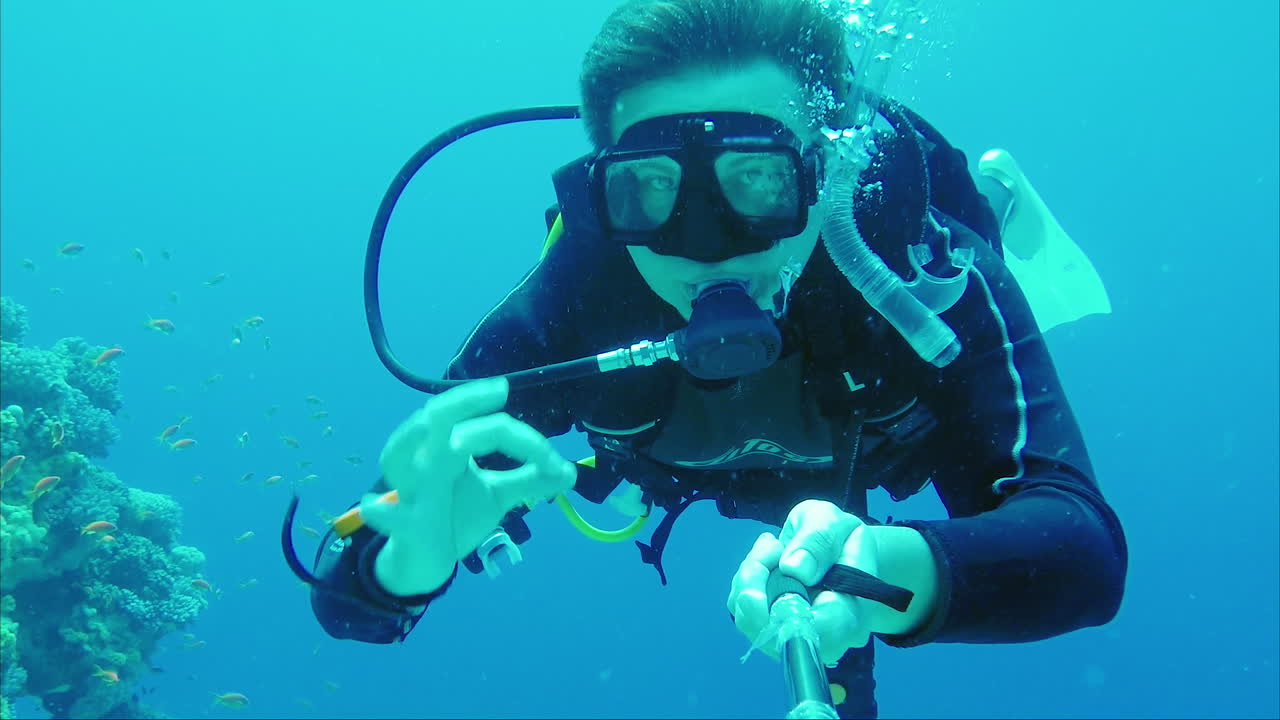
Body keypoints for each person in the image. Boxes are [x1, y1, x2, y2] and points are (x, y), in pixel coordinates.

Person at [304, 1, 1127, 717]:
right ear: (603, 193)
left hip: (873, 429)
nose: (706, 245)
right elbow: (350, 594)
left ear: (827, 170)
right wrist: (409, 562)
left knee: (1002, 277)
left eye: (759, 179)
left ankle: (1010, 214)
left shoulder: (923, 270)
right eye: (650, 188)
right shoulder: (578, 294)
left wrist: (890, 560)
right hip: (714, 452)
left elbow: (1084, 550)